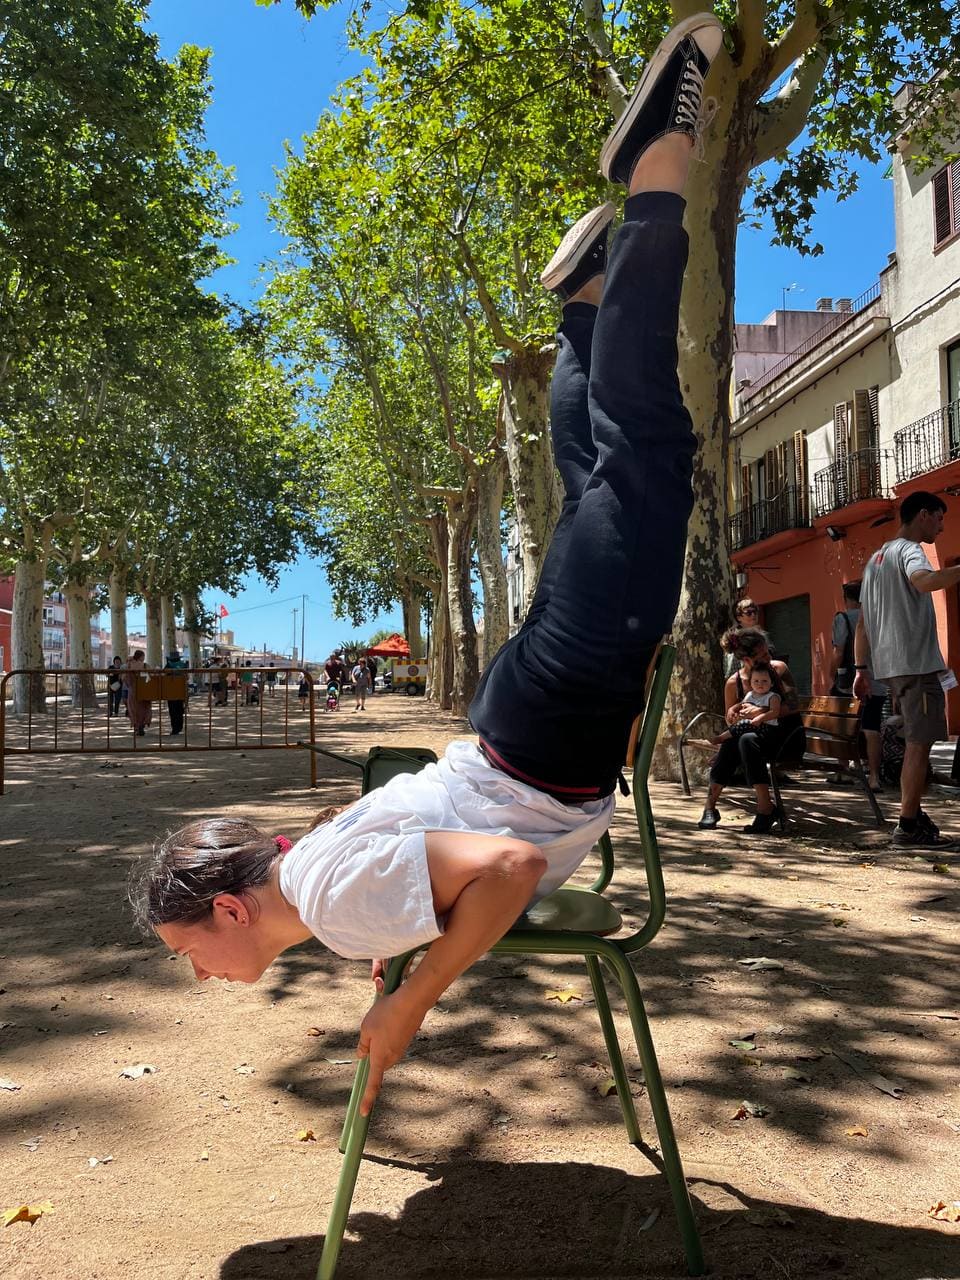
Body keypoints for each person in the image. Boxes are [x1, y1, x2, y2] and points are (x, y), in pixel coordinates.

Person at [129, 13, 721, 1120]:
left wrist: (415, 999)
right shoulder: (315, 873)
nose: (195, 974)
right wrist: (409, 933)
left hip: (550, 734)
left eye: (185, 952)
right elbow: (455, 864)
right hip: (531, 725)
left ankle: (655, 166)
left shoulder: (333, 896)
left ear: (226, 913)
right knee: (610, 483)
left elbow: (504, 871)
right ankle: (587, 305)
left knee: (645, 457)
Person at [855, 491, 959, 847]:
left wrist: (860, 669)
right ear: (924, 515)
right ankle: (908, 826)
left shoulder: (874, 560)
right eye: (940, 519)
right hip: (916, 666)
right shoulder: (911, 550)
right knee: (919, 744)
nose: (942, 527)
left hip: (891, 668)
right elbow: (925, 581)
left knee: (915, 742)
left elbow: (863, 626)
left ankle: (911, 818)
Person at [697, 627, 803, 832]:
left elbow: (794, 704)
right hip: (753, 741)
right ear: (746, 660)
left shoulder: (779, 669)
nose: (769, 657)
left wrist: (761, 711)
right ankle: (711, 806)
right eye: (762, 655)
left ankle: (765, 808)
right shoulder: (734, 683)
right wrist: (734, 716)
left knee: (744, 740)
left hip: (786, 738)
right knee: (736, 741)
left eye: (768, 652)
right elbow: (732, 721)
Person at [829, 581, 886, 790]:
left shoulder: (842, 618)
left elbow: (838, 651)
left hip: (849, 683)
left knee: (844, 726)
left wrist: (830, 676)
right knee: (872, 729)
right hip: (877, 682)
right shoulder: (879, 618)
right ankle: (874, 777)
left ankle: (842, 770)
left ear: (847, 599)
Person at [709, 661, 780, 745]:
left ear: (771, 683)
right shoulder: (750, 694)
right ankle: (724, 742)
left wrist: (760, 718)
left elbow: (774, 712)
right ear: (750, 683)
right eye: (756, 681)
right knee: (735, 736)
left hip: (767, 727)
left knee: (744, 724)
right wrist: (733, 709)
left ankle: (722, 737)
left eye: (764, 681)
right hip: (751, 725)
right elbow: (741, 704)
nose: (760, 684)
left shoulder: (772, 696)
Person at [724, 599, 760, 675]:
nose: (753, 615)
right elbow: (731, 671)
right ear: (739, 617)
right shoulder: (735, 638)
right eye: (749, 613)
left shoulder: (760, 635)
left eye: (755, 612)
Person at [124, 649, 152, 737]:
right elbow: (151, 677)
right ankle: (142, 726)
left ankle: (136, 727)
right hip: (144, 690)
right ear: (141, 657)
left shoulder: (129, 665)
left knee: (134, 709)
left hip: (132, 691)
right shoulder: (145, 666)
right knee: (144, 709)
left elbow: (125, 678)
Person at [164, 650, 188, 737]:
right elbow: (187, 677)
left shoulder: (168, 665)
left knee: (173, 711)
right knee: (180, 709)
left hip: (171, 691)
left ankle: (175, 728)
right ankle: (179, 727)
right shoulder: (184, 665)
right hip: (181, 690)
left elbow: (164, 675)